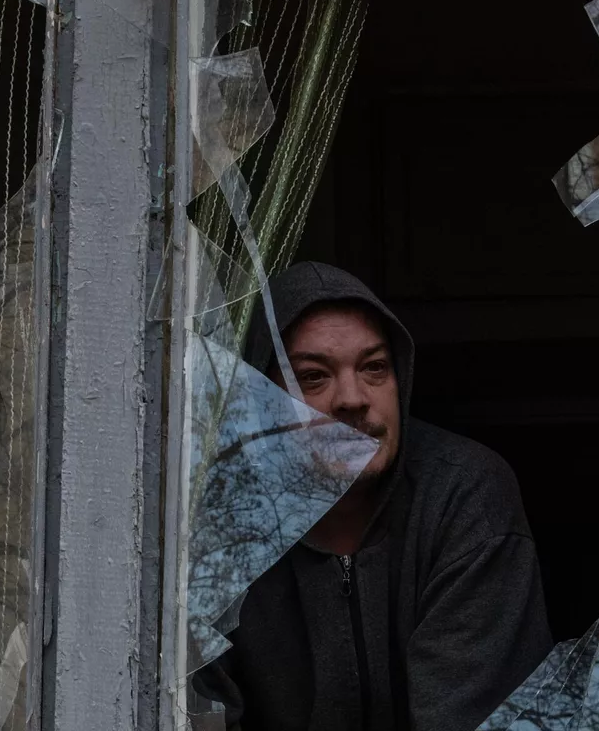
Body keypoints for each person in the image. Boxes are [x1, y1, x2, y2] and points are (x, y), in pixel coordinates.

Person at [195, 261, 553, 730]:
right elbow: (198, 713)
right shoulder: (220, 522)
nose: (353, 398)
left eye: (374, 368)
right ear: (261, 402)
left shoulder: (463, 495)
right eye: (313, 376)